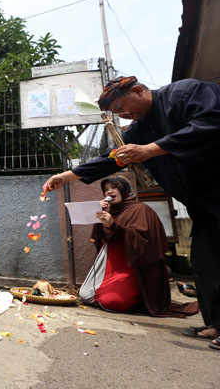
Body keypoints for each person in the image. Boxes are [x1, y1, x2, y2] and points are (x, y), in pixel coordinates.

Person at [45, 76, 220, 350]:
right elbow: (112, 158)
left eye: (122, 107)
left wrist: (151, 150)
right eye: (117, 113)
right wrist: (67, 176)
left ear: (138, 90)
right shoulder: (138, 130)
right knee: (206, 262)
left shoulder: (186, 92)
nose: (123, 115)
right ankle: (216, 324)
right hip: (202, 203)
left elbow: (211, 124)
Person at [79, 176, 198, 317]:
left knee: (109, 301)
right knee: (85, 295)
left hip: (135, 269)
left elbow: (143, 240)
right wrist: (99, 219)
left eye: (114, 187)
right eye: (105, 190)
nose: (109, 192)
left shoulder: (141, 209)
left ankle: (143, 295)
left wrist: (114, 225)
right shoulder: (111, 211)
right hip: (111, 269)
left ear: (125, 190)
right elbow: (101, 239)